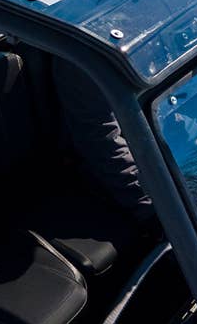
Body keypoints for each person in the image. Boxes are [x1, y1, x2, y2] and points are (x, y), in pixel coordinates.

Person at [51, 58, 156, 224]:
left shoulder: (149, 39)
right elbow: (102, 140)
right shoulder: (86, 58)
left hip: (164, 163)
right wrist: (154, 207)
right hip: (106, 178)